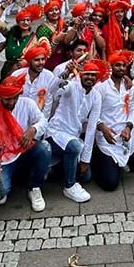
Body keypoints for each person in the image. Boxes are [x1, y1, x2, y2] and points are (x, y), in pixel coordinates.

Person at [0, 73, 50, 211]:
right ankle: (14, 176)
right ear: (1, 97)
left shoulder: (27, 103)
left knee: (44, 149)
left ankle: (34, 187)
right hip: (3, 160)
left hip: (24, 150)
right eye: (7, 99)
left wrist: (33, 129)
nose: (11, 102)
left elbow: (43, 121)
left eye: (14, 98)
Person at [92, 50, 134, 190]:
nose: (120, 68)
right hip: (108, 136)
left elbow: (132, 108)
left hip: (125, 133)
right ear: (111, 66)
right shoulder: (101, 87)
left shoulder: (128, 85)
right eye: (117, 65)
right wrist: (102, 127)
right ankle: (98, 160)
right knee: (110, 185)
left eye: (123, 65)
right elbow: (91, 112)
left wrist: (129, 127)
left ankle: (124, 163)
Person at [45, 59, 102, 203]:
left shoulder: (96, 96)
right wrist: (65, 73)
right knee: (75, 147)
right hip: (55, 133)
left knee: (86, 177)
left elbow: (91, 128)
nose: (90, 77)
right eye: (87, 74)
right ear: (81, 74)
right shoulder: (71, 86)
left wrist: (85, 160)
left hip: (73, 138)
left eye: (93, 75)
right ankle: (69, 186)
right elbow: (51, 90)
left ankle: (55, 169)